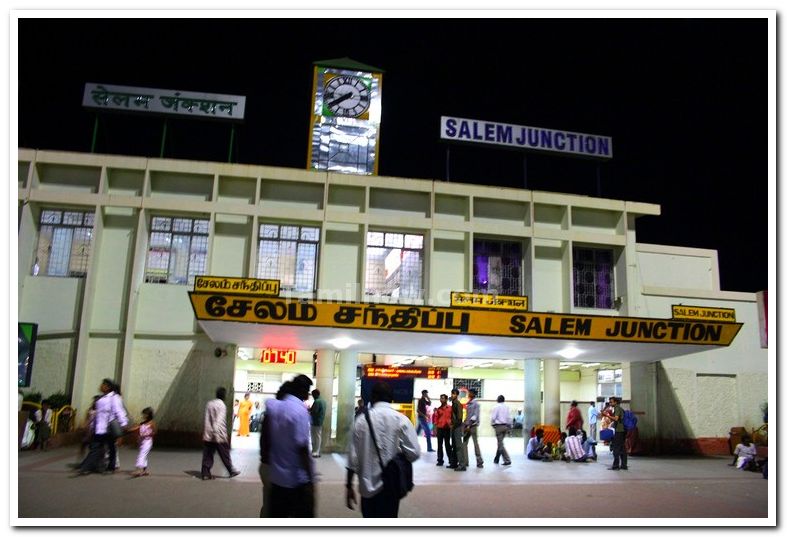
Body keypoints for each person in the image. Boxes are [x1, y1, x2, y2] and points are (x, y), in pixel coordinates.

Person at [346, 381, 420, 518]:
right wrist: (398, 457)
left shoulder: (360, 421)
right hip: (391, 488)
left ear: (372, 397)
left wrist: (349, 486)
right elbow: (414, 453)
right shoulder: (402, 420)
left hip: (367, 489)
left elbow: (352, 459)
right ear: (392, 398)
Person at [265, 374, 316, 517]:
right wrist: (310, 478)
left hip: (276, 479)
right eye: (307, 391)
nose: (307, 395)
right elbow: (302, 448)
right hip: (295, 481)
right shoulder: (300, 411)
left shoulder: (276, 407)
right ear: (302, 391)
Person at [77, 379, 129, 475]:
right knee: (96, 447)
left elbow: (119, 411)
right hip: (99, 428)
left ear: (108, 387)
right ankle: (86, 467)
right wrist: (90, 424)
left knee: (110, 447)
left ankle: (110, 467)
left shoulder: (114, 397)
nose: (100, 386)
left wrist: (124, 424)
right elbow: (97, 414)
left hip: (109, 427)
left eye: (103, 385)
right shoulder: (100, 398)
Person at [259, 385, 288, 517]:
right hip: (275, 467)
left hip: (267, 465)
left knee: (268, 504)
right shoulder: (280, 416)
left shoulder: (270, 414)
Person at [201, 386, 240, 480]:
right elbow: (219, 420)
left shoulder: (209, 404)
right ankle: (231, 470)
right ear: (224, 396)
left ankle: (205, 473)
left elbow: (207, 419)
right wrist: (215, 431)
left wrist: (208, 431)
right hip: (219, 434)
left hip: (208, 434)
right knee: (224, 453)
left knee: (208, 454)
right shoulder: (222, 405)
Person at [128, 407, 156, 477]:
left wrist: (147, 434)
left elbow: (154, 432)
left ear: (148, 415)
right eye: (143, 414)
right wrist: (128, 430)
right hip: (141, 441)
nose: (143, 415)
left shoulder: (152, 423)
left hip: (147, 441)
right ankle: (144, 470)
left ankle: (138, 469)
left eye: (144, 414)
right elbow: (135, 428)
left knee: (142, 454)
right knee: (144, 455)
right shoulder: (142, 423)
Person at [603, 396, 628, 470]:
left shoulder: (617, 408)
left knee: (616, 448)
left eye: (611, 402)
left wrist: (607, 415)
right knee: (622, 448)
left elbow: (616, 419)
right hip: (623, 430)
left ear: (615, 402)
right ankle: (624, 465)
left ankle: (616, 466)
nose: (610, 403)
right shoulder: (619, 408)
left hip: (619, 431)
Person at [462, 388, 483, 468]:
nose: (468, 394)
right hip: (467, 426)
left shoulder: (475, 404)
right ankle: (465, 461)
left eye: (470, 393)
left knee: (475, 444)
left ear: (473, 394)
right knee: (464, 443)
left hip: (472, 426)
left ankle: (479, 461)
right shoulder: (469, 403)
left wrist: (468, 426)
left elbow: (475, 416)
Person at [491, 395, 512, 465]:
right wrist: (509, 427)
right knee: (500, 443)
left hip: (499, 427)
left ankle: (507, 460)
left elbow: (493, 417)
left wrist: (493, 424)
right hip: (505, 426)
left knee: (500, 444)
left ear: (498, 399)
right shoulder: (507, 407)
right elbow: (509, 418)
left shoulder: (496, 407)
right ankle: (496, 459)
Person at [432, 394, 452, 466]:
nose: (441, 400)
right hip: (440, 429)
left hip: (447, 429)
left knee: (447, 445)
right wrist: (435, 429)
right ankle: (440, 460)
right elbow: (436, 420)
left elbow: (453, 418)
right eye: (440, 398)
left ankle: (451, 460)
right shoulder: (438, 409)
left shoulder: (450, 408)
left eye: (443, 398)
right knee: (439, 445)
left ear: (446, 399)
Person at [448, 389, 465, 470]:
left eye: (454, 394)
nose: (452, 395)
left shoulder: (457, 404)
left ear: (457, 395)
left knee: (458, 447)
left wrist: (454, 426)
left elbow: (459, 418)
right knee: (454, 446)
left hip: (457, 427)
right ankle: (454, 464)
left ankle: (462, 465)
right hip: (454, 427)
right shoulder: (453, 403)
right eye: (452, 393)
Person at [309, 388, 326, 457]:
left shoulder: (317, 401)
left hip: (315, 422)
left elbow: (314, 411)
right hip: (320, 421)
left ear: (315, 394)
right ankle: (316, 451)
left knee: (315, 437)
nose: (312, 396)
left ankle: (315, 452)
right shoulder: (323, 401)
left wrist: (308, 410)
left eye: (313, 395)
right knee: (318, 436)